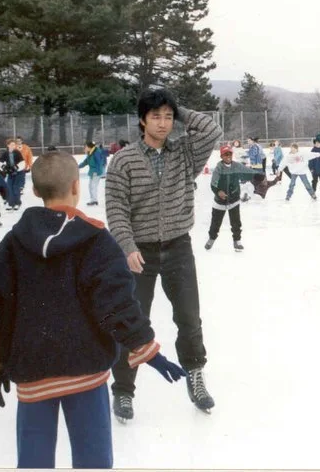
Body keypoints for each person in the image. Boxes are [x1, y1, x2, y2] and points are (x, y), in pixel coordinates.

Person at [0, 151, 185, 468]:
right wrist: (147, 349)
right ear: (76, 185)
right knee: (93, 460)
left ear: (34, 191)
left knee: (34, 461)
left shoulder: (11, 244)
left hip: (32, 371)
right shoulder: (97, 240)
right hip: (86, 370)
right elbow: (116, 303)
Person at [104, 88, 222, 421]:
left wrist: (175, 105)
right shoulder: (124, 160)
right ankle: (124, 391)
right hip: (137, 253)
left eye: (168, 116)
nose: (163, 123)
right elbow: (116, 208)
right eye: (155, 116)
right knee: (132, 323)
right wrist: (127, 246)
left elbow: (212, 130)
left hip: (178, 248)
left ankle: (196, 377)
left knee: (189, 318)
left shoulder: (184, 153)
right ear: (142, 120)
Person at [205, 146, 278, 252]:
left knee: (236, 222)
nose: (228, 156)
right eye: (226, 154)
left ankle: (237, 241)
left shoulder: (236, 166)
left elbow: (247, 171)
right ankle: (211, 238)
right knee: (215, 223)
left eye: (229, 154)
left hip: (234, 198)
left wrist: (257, 175)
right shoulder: (218, 168)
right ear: (221, 156)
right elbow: (213, 183)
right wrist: (218, 192)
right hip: (220, 201)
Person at [77, 140, 106, 206]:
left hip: (96, 172)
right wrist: (77, 167)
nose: (85, 148)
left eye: (86, 146)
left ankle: (94, 200)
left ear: (89, 147)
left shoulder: (96, 152)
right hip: (92, 172)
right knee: (90, 186)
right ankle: (93, 199)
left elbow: (99, 162)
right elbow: (85, 162)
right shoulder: (90, 153)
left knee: (93, 186)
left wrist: (97, 171)